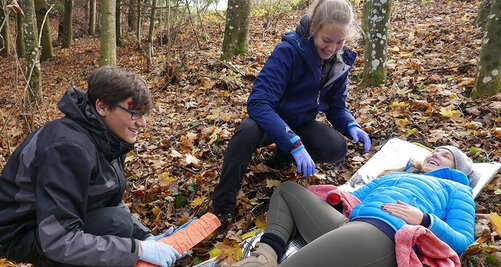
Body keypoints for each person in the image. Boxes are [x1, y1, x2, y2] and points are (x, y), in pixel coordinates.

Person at [0, 66, 181, 267]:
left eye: (144, 114)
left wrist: (145, 238)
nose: (143, 123)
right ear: (102, 107)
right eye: (134, 113)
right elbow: (59, 240)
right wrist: (137, 250)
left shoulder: (108, 137)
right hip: (21, 233)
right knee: (115, 223)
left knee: (116, 220)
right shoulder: (67, 148)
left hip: (52, 223)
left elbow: (107, 202)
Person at [212, 0, 371, 222]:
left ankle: (281, 158)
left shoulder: (339, 60)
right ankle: (222, 204)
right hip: (271, 120)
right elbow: (259, 102)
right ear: (314, 28)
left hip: (301, 122)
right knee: (246, 132)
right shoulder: (288, 51)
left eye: (340, 42)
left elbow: (336, 106)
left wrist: (351, 124)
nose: (332, 48)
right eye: (326, 40)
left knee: (336, 147)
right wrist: (294, 144)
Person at [224, 145, 476, 267]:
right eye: (436, 150)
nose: (436, 154)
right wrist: (334, 197)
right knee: (288, 191)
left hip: (386, 234)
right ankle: (265, 255)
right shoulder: (395, 176)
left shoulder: (456, 189)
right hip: (351, 225)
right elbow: (353, 196)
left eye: (446, 156)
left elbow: (463, 241)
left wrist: (424, 219)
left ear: (456, 169)